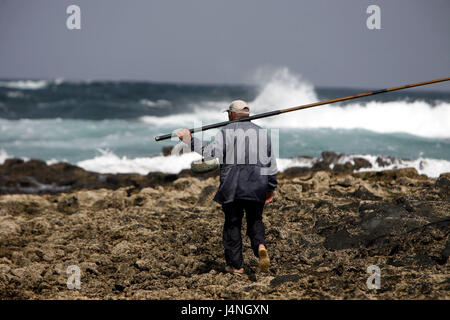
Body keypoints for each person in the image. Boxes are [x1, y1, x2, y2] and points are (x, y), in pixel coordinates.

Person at [176, 100, 278, 274]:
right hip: (257, 186)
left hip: (233, 187)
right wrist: (270, 187)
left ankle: (236, 266)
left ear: (231, 114)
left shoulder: (226, 132)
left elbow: (210, 152)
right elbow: (270, 165)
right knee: (255, 220)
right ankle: (260, 245)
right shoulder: (262, 133)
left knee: (232, 224)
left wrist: (189, 140)